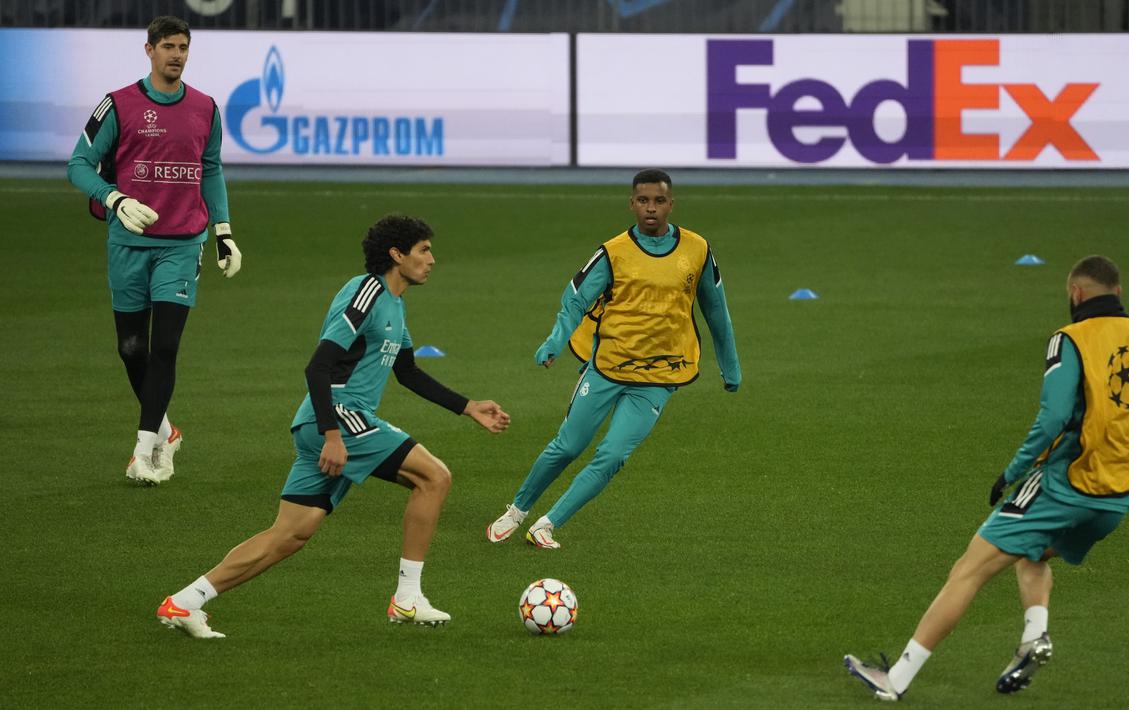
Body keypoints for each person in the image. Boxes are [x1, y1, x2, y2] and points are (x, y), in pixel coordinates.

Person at [843, 255, 1129, 700]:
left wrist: (1011, 472)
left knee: (966, 572)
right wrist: (1120, 412)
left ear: (1075, 294)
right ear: (1119, 293)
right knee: (1034, 556)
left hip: (1064, 484)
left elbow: (1052, 418)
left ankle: (895, 681)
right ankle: (1035, 636)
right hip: (1118, 498)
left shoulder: (1069, 339)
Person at [155, 215, 510, 638]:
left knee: (289, 535)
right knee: (434, 477)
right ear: (397, 255)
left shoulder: (395, 304)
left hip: (332, 421)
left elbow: (408, 372)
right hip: (339, 416)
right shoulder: (367, 292)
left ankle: (184, 602)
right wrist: (332, 435)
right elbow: (319, 365)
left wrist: (468, 406)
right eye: (424, 250)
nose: (432, 259)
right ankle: (408, 598)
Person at [485, 169, 741, 549]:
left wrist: (730, 364)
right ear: (632, 203)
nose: (650, 208)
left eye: (658, 201)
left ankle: (547, 524)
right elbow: (575, 298)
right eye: (643, 200)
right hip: (608, 367)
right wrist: (555, 342)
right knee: (569, 446)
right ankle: (517, 509)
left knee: (613, 455)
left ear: (671, 204)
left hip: (659, 376)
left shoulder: (697, 249)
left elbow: (716, 309)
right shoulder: (613, 251)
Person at [67, 16, 241, 485]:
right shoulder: (118, 104)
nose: (177, 55)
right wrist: (115, 198)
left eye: (183, 46)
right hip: (127, 243)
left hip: (183, 244)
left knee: (164, 346)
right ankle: (166, 428)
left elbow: (211, 168)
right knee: (131, 349)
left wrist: (222, 229)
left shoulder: (205, 107)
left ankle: (143, 452)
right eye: (168, 46)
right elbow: (79, 165)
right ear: (148, 50)